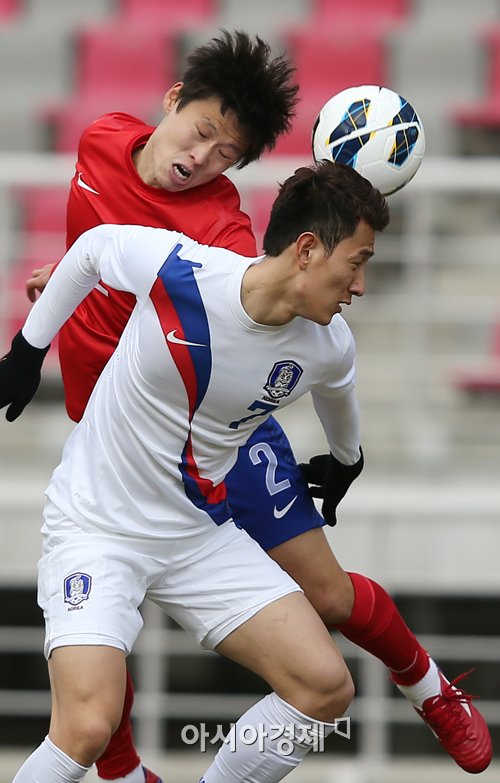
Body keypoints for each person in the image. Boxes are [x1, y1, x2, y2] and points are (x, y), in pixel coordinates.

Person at [24, 32, 491, 778]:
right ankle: (122, 771)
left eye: (226, 154)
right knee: (93, 677)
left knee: (328, 600)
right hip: (123, 425)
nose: (204, 157)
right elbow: (94, 250)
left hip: (222, 429)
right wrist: (53, 304)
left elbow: (256, 299)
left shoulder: (220, 235)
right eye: (202, 133)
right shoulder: (101, 138)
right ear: (172, 101)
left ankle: (431, 690)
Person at [3, 160, 389, 783]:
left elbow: (339, 399)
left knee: (324, 687)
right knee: (86, 728)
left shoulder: (328, 342)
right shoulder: (187, 271)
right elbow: (94, 250)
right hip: (97, 528)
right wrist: (28, 349)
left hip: (197, 535)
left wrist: (347, 461)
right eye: (358, 260)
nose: (361, 284)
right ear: (309, 249)